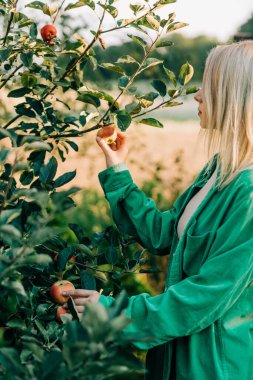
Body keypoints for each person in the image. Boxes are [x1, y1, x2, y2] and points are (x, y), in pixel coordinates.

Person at [62, 41, 253, 380]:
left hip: (213, 366)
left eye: (207, 87)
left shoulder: (249, 192)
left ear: (232, 96)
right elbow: (164, 234)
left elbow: (204, 296)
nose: (196, 97)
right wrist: (117, 169)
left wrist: (112, 314)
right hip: (174, 356)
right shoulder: (219, 171)